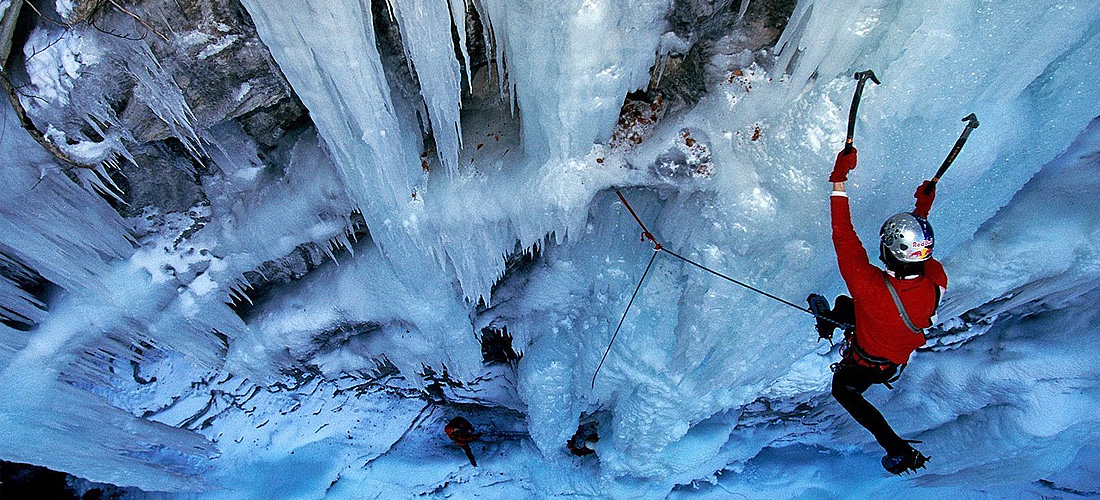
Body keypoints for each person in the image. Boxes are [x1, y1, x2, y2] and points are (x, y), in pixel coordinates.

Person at [807, 146, 947, 475]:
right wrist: (921, 213)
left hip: (866, 360)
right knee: (846, 306)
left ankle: (896, 446)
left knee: (842, 389)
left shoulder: (869, 285)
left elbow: (844, 233)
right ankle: (831, 320)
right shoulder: (934, 281)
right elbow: (915, 255)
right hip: (887, 358)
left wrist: (839, 178)